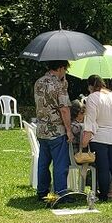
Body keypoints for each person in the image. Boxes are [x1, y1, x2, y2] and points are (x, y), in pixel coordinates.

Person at [80, 75, 112, 203]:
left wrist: (84, 141)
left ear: (90, 86)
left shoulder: (92, 98)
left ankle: (104, 195)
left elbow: (90, 120)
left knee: (103, 168)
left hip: (100, 136)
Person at [33, 60, 74, 201]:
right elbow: (64, 108)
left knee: (43, 163)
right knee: (60, 163)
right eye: (65, 70)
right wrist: (68, 130)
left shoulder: (39, 82)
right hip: (56, 130)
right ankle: (61, 193)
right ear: (61, 68)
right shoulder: (58, 85)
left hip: (41, 129)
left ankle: (42, 191)